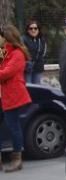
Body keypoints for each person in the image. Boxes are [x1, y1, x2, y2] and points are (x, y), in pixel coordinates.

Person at [0, 26, 33, 172]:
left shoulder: (17, 54)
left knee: (13, 127)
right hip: (3, 95)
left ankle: (17, 158)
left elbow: (6, 73)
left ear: (8, 38)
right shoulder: (4, 52)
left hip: (12, 95)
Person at [21, 19, 46, 85]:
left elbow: (43, 53)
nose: (33, 30)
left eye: (35, 28)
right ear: (27, 29)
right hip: (27, 68)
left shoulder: (41, 40)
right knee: (28, 88)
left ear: (38, 29)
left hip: (38, 68)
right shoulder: (23, 39)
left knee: (37, 88)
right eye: (31, 28)